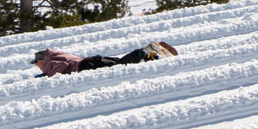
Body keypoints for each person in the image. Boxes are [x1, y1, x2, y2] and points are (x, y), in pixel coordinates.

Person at [34, 41, 178, 76]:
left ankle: (146, 51)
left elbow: (61, 67)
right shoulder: (57, 54)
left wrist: (46, 75)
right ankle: (153, 55)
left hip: (86, 65)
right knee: (122, 62)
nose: (37, 66)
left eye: (36, 64)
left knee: (122, 65)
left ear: (40, 60)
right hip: (91, 60)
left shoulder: (47, 62)